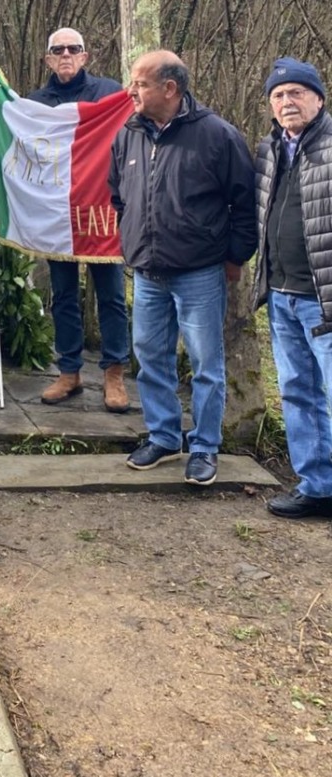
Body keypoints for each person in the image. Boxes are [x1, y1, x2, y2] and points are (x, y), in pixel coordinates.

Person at [108, 50, 256, 486]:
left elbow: (244, 205)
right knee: (151, 359)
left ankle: (205, 447)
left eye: (139, 83)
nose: (130, 90)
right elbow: (119, 195)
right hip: (148, 272)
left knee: (206, 363)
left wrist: (234, 257)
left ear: (169, 89)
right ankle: (164, 436)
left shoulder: (217, 136)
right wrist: (133, 238)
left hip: (200, 274)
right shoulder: (128, 135)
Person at [28, 27, 131, 412]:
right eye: (59, 50)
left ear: (86, 56)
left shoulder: (109, 94)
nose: (67, 55)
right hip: (58, 214)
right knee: (64, 296)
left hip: (104, 210)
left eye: (74, 49)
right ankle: (69, 371)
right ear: (48, 59)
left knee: (112, 297)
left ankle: (114, 373)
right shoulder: (36, 103)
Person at [252, 58, 332, 519]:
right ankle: (318, 486)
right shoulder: (269, 149)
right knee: (298, 392)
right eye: (279, 96)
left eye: (297, 92)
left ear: (318, 98)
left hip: (324, 299)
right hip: (281, 294)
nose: (287, 101)